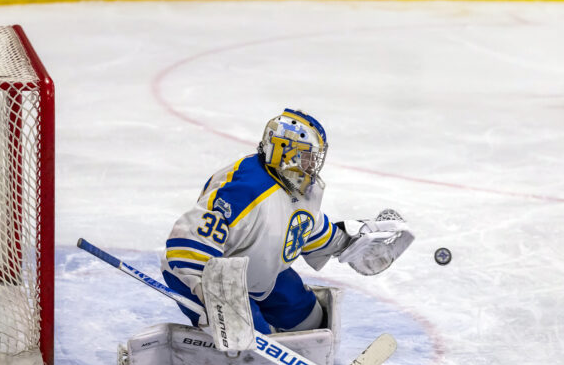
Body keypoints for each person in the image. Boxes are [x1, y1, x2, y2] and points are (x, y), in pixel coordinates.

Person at [161, 108, 412, 335]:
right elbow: (188, 242)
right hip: (207, 277)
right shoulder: (245, 189)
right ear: (285, 151)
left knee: (311, 321)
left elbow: (306, 227)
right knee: (250, 339)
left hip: (258, 272)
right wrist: (208, 292)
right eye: (307, 155)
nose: (313, 164)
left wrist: (350, 244)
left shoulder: (297, 186)